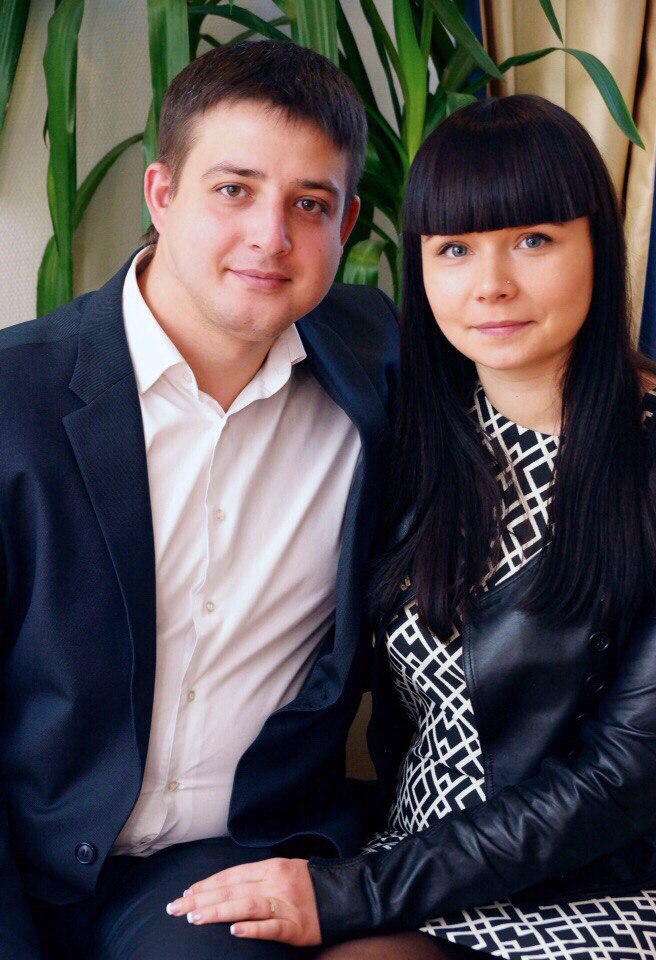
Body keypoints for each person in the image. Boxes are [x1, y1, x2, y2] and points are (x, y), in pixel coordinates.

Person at [170, 95, 656, 960]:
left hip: (600, 884)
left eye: (534, 241)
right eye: (455, 249)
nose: (491, 284)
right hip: (412, 869)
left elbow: (626, 774)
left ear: (599, 242)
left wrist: (353, 893)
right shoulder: (409, 435)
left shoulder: (652, 458)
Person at [0, 39, 400, 960]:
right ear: (162, 194)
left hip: (222, 866)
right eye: (234, 190)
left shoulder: (378, 367)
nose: (271, 236)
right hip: (21, 849)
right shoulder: (16, 400)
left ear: (347, 225)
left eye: (310, 204)